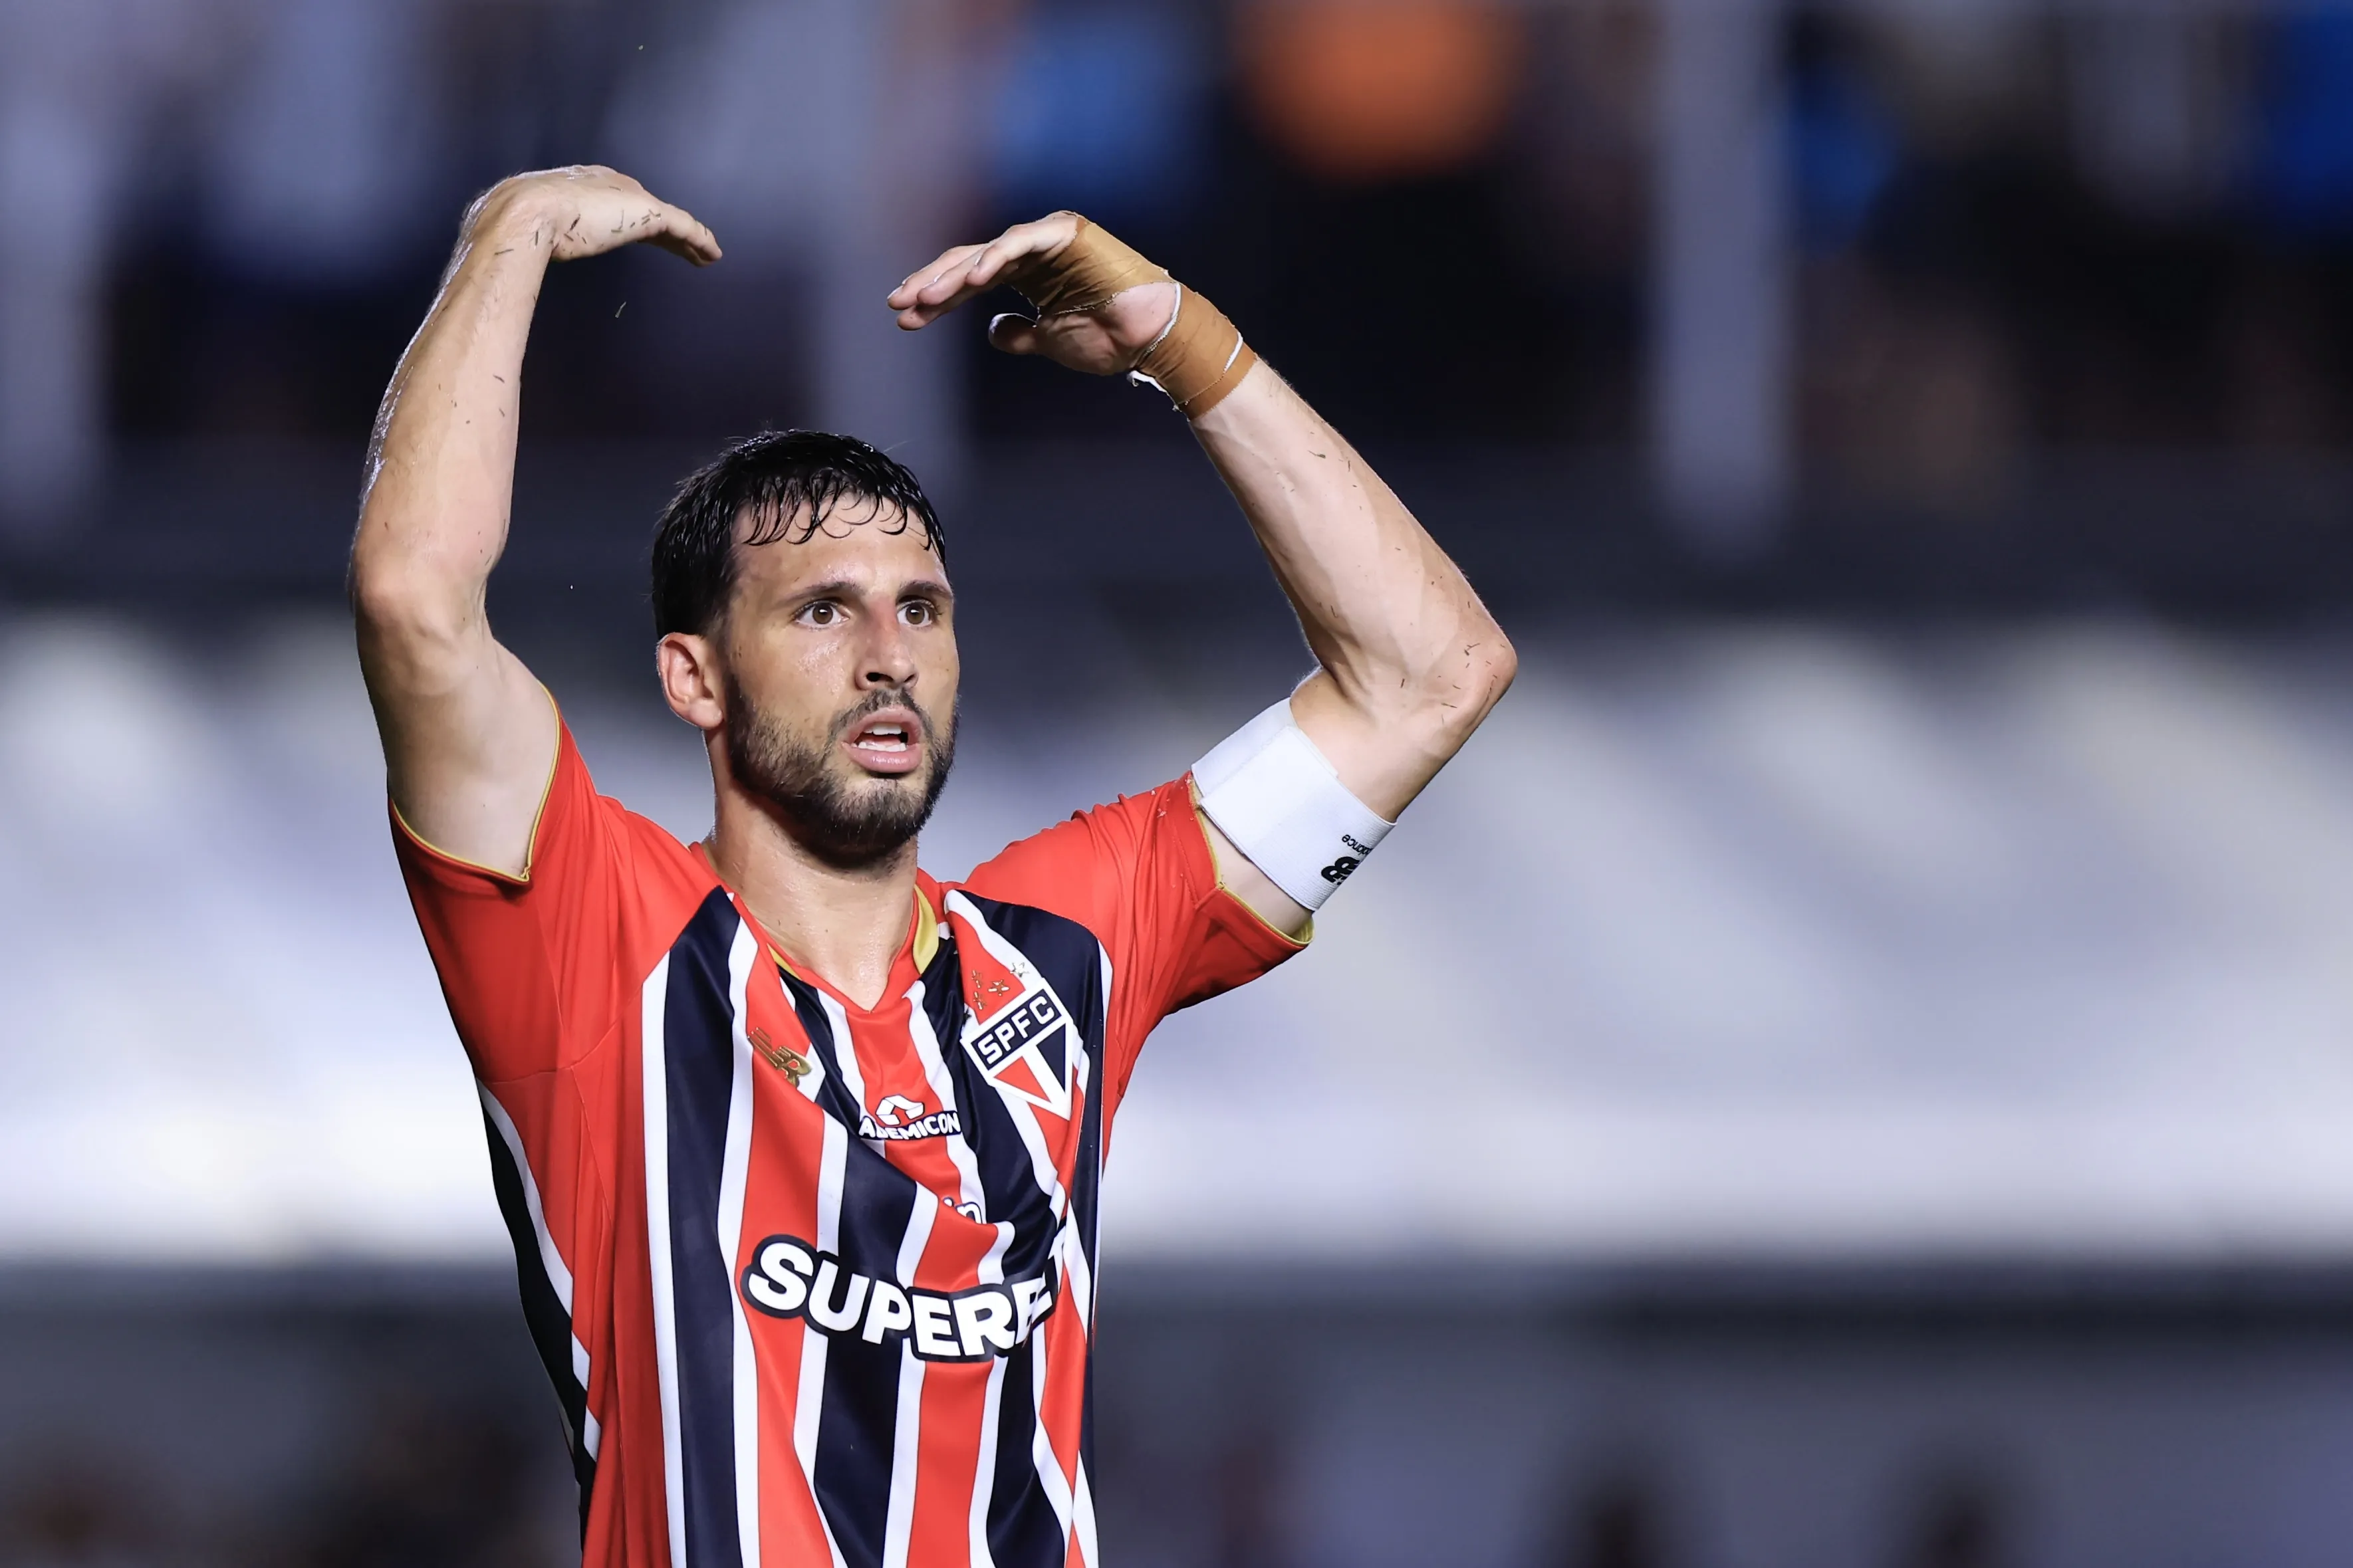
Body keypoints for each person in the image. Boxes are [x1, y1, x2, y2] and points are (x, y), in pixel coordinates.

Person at [352, 164, 1515, 1567]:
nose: (888, 653)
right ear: (694, 676)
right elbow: (417, 603)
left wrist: (1175, 339)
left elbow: (1430, 674)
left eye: (921, 609)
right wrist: (509, 233)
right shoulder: (601, 945)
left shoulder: (1061, 947)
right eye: (823, 612)